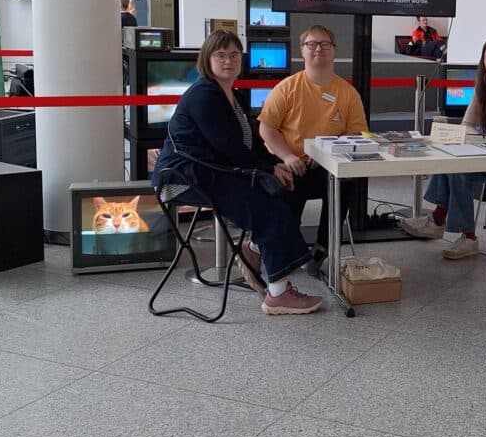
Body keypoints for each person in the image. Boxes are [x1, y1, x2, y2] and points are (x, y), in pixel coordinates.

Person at [152, 30, 322, 315]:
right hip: (184, 178)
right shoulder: (204, 94)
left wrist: (274, 166)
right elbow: (227, 145)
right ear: (207, 59)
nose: (228, 60)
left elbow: (252, 143)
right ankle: (278, 294)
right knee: (265, 205)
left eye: (233, 55)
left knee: (286, 190)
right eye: (220, 55)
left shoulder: (234, 95)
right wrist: (267, 169)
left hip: (215, 171)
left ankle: (254, 248)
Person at [399, 36, 486, 259]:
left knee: (459, 170)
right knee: (455, 164)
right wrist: (479, 137)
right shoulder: (482, 90)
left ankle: (439, 221)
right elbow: (467, 125)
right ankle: (464, 236)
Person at [259, 25, 369, 275]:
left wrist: (325, 155)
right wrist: (287, 156)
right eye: (312, 44)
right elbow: (267, 129)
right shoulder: (287, 88)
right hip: (290, 163)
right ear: (302, 51)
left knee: (345, 183)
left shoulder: (348, 93)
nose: (318, 48)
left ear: (334, 51)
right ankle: (286, 248)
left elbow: (356, 134)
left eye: (325, 44)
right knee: (287, 189)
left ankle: (322, 248)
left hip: (324, 165)